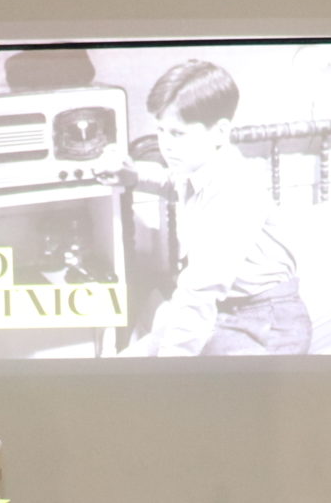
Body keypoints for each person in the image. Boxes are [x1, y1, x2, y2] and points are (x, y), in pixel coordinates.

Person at [106, 60, 311, 357]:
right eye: (161, 130)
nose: (165, 145)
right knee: (133, 358)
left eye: (177, 134)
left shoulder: (235, 189)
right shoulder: (200, 167)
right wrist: (134, 176)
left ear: (220, 132)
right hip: (226, 312)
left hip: (268, 322)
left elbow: (201, 290)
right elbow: (173, 183)